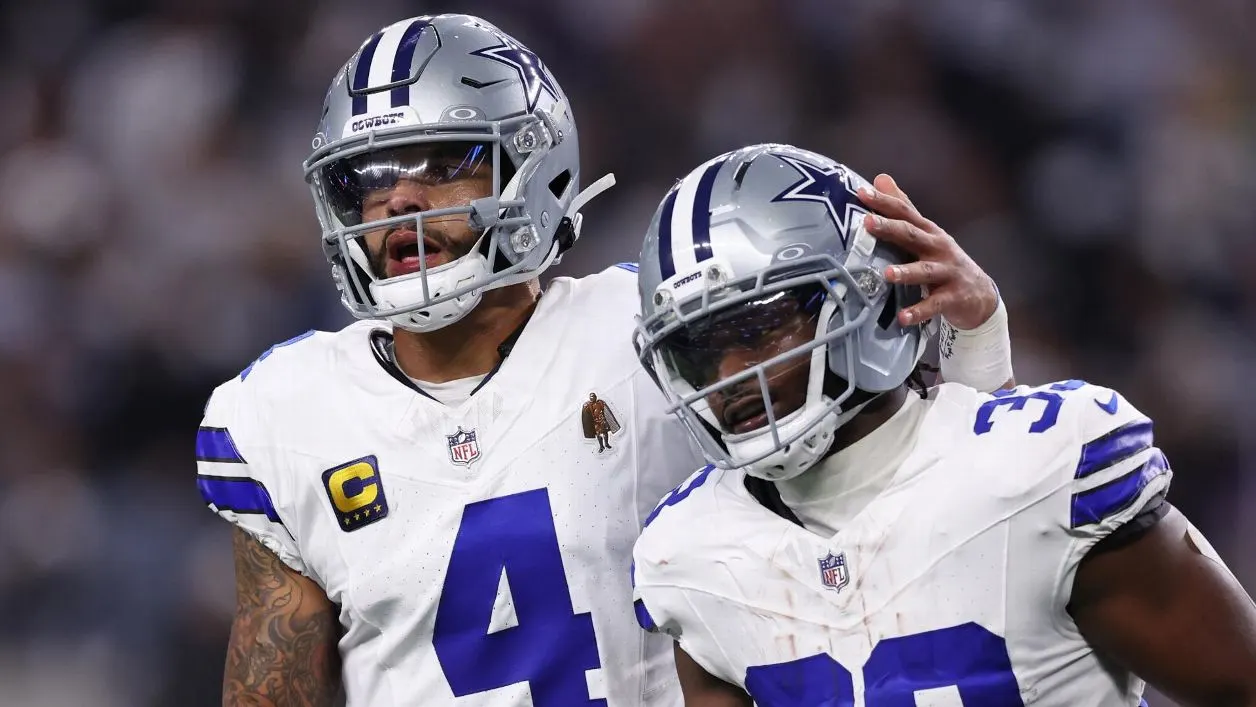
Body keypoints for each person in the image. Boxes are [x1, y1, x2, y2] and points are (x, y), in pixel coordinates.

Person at [195, 14, 1016, 707]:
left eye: (443, 164)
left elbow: (914, 497)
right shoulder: (284, 412)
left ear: (532, 162)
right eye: (369, 180)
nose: (400, 201)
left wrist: (974, 341)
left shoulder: (655, 326)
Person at [630, 143, 1256, 706]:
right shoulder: (690, 554)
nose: (732, 373)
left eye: (759, 327)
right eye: (698, 348)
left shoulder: (1045, 466)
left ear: (871, 293)